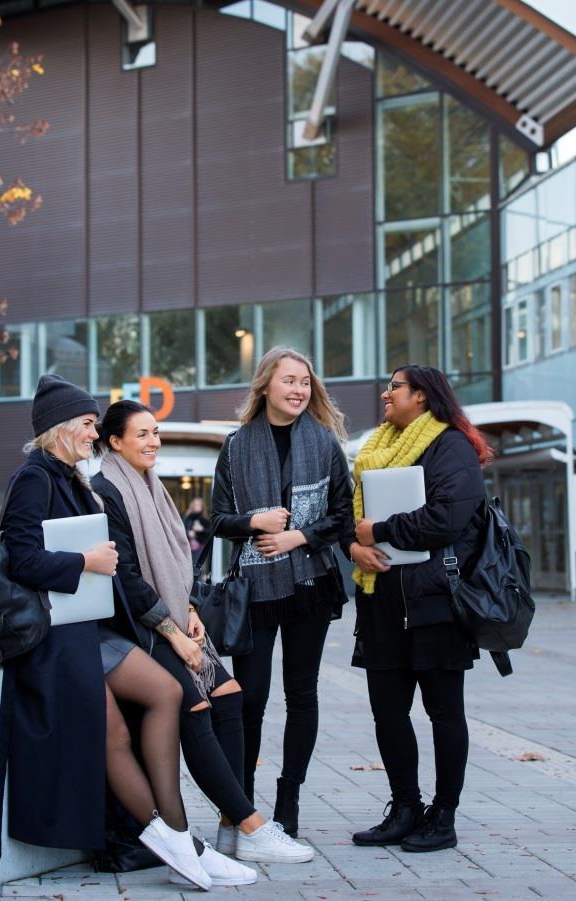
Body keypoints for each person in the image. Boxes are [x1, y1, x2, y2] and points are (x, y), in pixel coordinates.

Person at [0, 374, 231, 890]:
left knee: (167, 691)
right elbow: (19, 557)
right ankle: (175, 840)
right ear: (60, 428)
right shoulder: (34, 477)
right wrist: (85, 560)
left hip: (87, 628)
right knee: (116, 733)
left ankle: (177, 834)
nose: (93, 434)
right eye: (86, 424)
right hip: (56, 638)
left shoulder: (68, 476)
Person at [92, 400, 313, 867]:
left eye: (156, 432)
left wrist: (191, 608)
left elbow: (177, 560)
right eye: (142, 434)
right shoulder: (106, 489)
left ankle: (232, 828)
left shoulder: (153, 486)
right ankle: (250, 824)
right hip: (137, 628)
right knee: (193, 703)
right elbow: (127, 578)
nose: (154, 441)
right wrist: (175, 634)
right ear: (114, 442)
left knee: (230, 694)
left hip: (173, 616)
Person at [347, 364, 491, 853]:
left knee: (444, 712)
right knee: (388, 712)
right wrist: (355, 545)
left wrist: (380, 531)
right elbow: (354, 518)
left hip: (435, 604)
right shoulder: (375, 449)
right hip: (381, 601)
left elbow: (448, 518)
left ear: (423, 397)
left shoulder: (451, 446)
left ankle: (443, 815)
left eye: (395, 387)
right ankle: (405, 808)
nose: (386, 394)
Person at [211, 346, 354, 838]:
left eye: (305, 382)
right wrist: (254, 521)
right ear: (265, 385)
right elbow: (218, 520)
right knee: (250, 698)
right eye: (289, 380)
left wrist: (298, 535)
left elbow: (343, 515)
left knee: (302, 694)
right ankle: (241, 806)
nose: (298, 390)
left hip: (310, 584)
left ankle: (289, 800)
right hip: (255, 588)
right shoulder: (235, 446)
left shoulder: (325, 442)